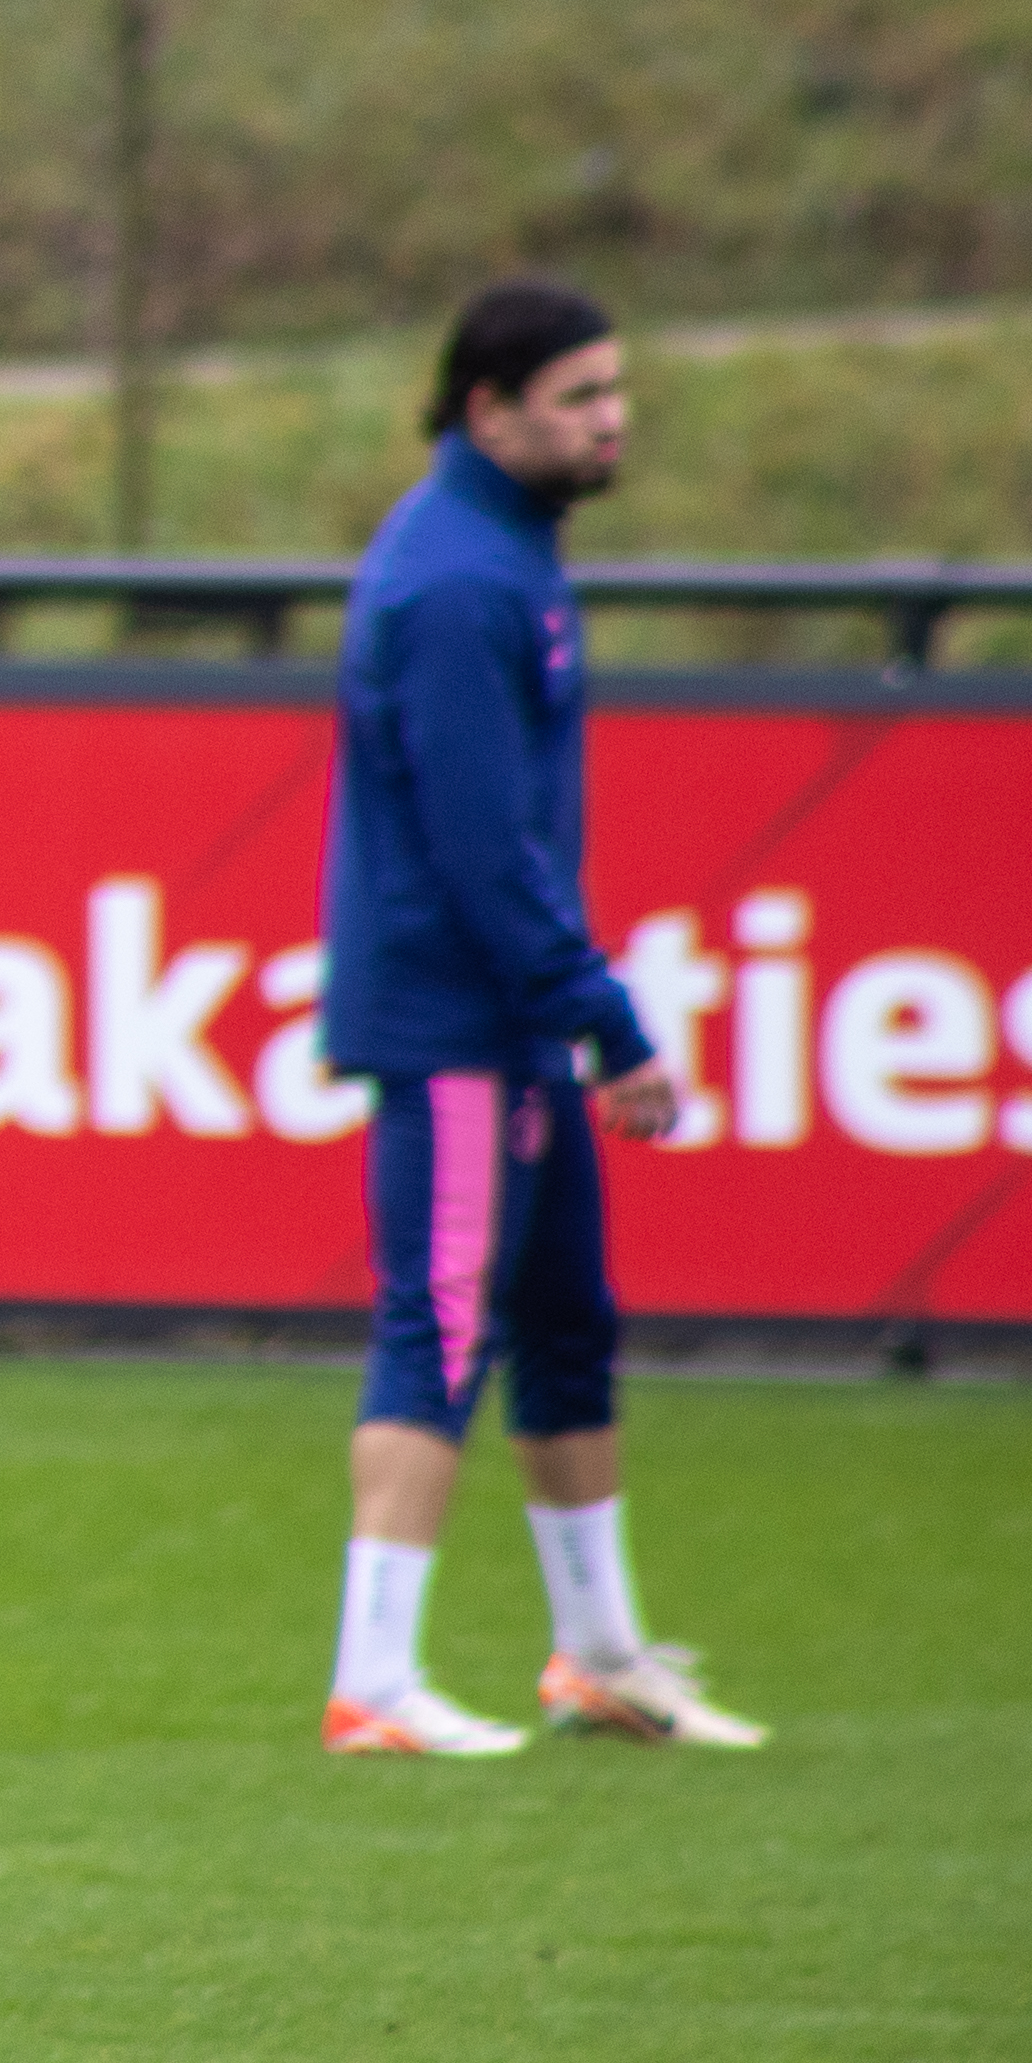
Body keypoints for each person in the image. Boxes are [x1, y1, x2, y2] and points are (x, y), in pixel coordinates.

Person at [312, 277, 765, 1759]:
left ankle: (602, 1655)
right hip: (458, 1018)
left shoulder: (502, 552)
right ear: (488, 408)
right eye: (579, 397)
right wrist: (606, 1018)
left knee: (567, 1322)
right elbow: (477, 839)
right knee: (438, 1324)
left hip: (506, 1021)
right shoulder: (455, 580)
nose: (610, 419)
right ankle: (374, 1679)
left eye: (614, 391)